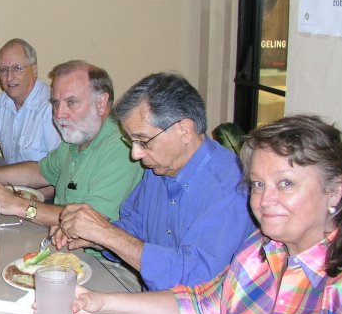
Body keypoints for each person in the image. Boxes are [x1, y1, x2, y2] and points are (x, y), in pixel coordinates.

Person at [72, 115, 342, 314]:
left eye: (285, 183)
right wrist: (96, 302)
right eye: (258, 184)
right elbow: (201, 306)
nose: (264, 199)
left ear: (336, 191)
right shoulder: (261, 250)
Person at [56, 73, 255, 292]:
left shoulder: (233, 186)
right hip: (151, 303)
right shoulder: (159, 168)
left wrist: (106, 234)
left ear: (185, 130)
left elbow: (195, 279)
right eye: (131, 141)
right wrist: (93, 236)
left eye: (143, 141)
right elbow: (134, 227)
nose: (135, 154)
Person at [0, 60, 142, 228]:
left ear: (101, 103)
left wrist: (18, 205)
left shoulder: (122, 147)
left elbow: (90, 222)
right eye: (55, 103)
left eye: (71, 102)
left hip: (100, 261)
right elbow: (40, 171)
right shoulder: (78, 137)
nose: (59, 114)